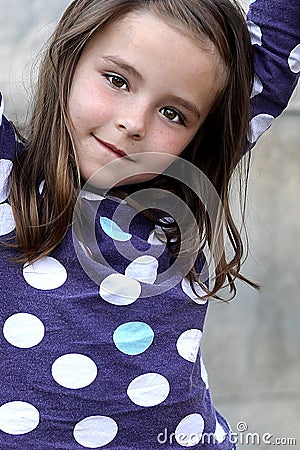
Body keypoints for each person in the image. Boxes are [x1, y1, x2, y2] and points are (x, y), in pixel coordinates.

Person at [0, 0, 299, 448]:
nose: (133, 123)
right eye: (117, 80)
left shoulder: (182, 196)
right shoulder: (8, 184)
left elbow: (282, 36)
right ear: (70, 59)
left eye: (174, 113)